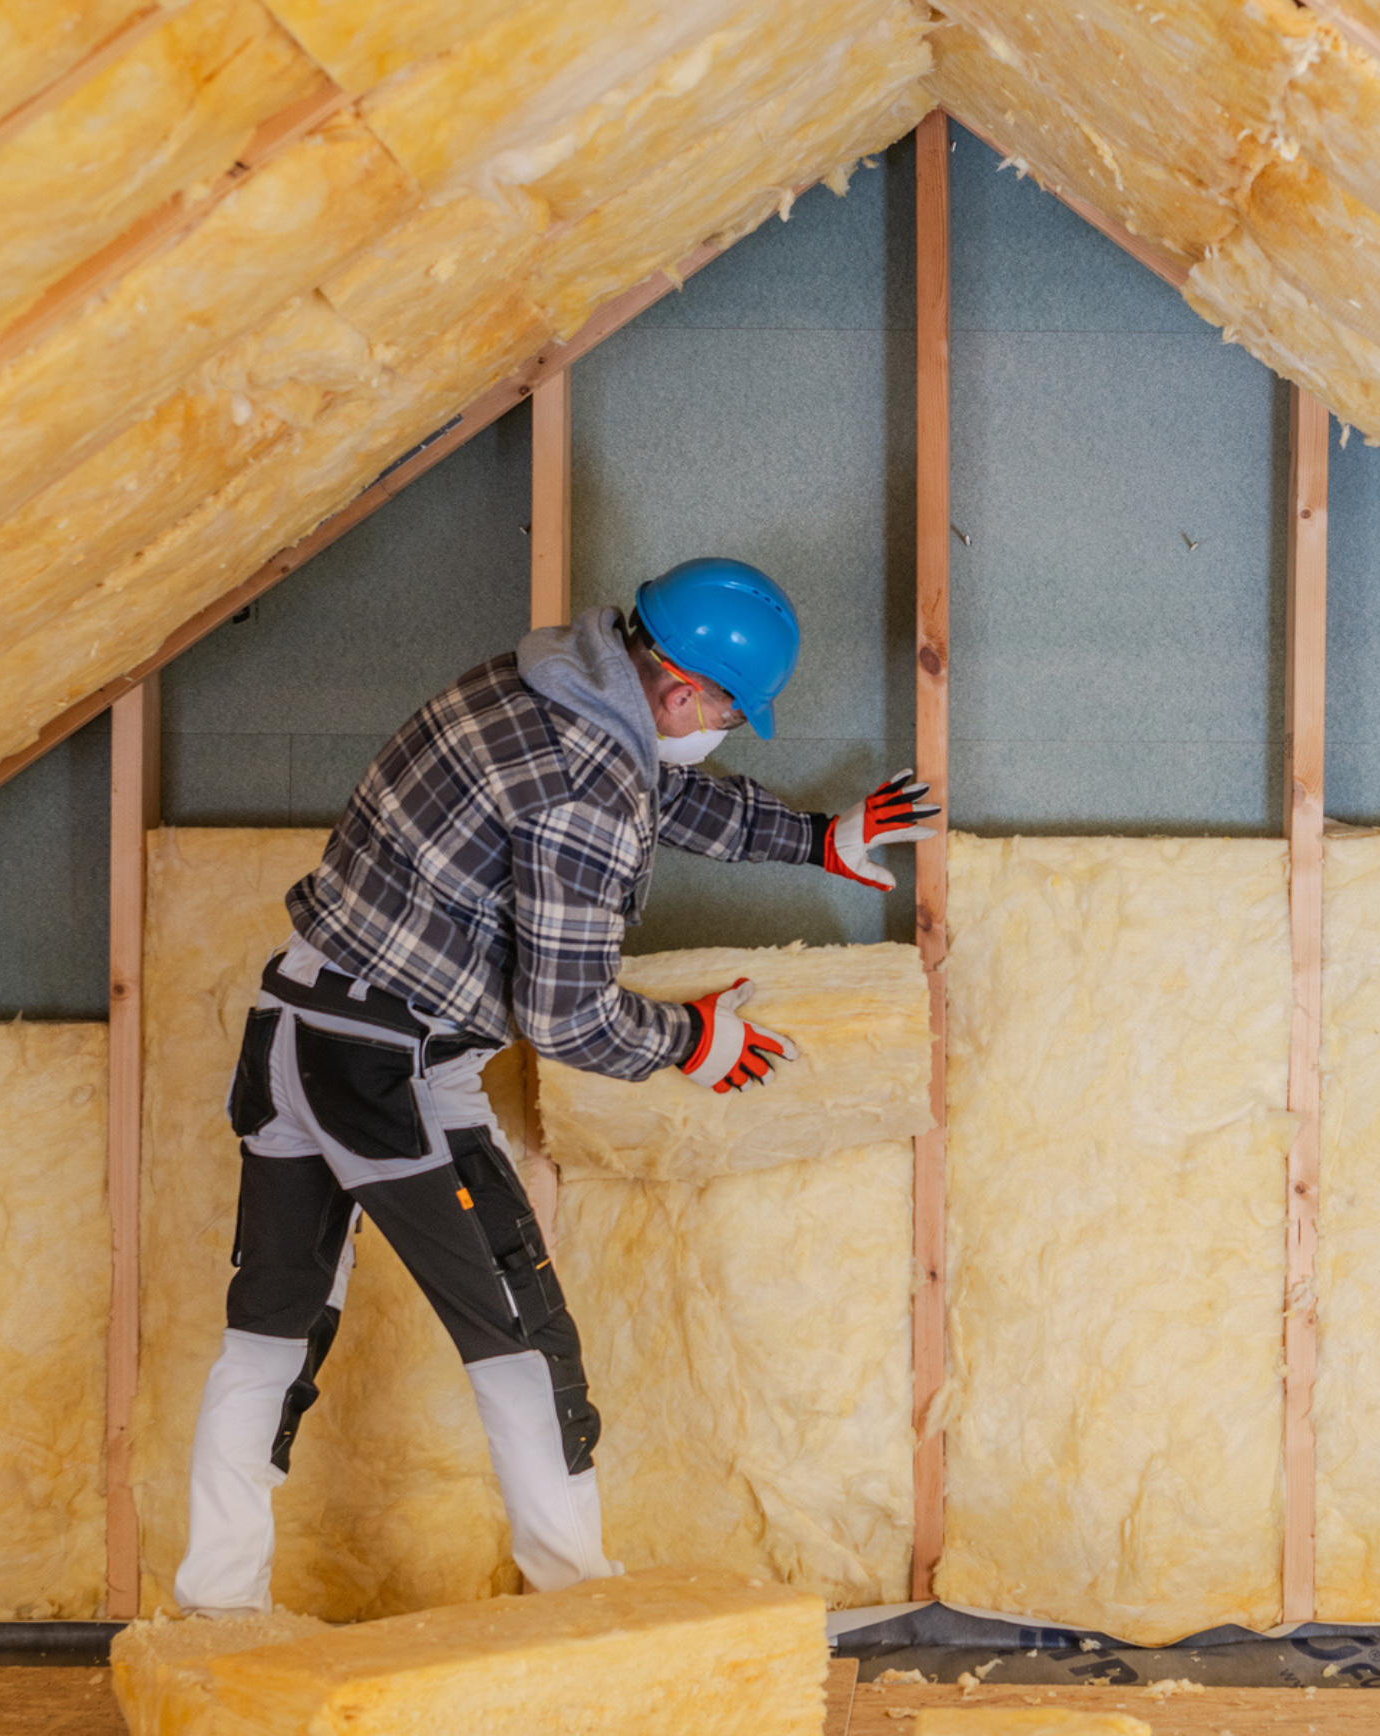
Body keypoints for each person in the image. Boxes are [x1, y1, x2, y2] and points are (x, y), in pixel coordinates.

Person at [172, 557, 936, 1610]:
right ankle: (576, 1601)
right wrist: (691, 1042)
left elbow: (658, 791)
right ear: (678, 690)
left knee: (271, 1329)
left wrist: (813, 838)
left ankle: (216, 1611)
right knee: (522, 1337)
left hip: (297, 1025)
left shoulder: (540, 682)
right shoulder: (589, 785)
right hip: (387, 1066)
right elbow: (570, 1015)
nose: (721, 725)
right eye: (727, 709)